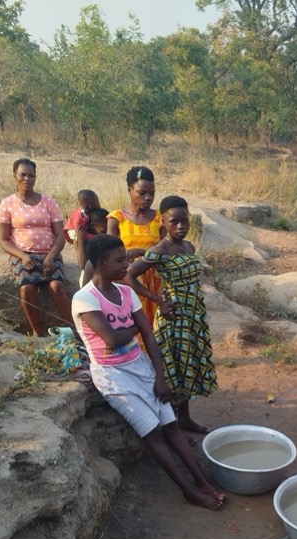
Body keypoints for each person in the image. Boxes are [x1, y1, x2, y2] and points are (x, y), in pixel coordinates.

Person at [71, 234, 226, 511]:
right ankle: (188, 490)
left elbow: (148, 335)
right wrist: (136, 327)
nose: (126, 264)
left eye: (126, 258)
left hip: (139, 366)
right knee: (153, 432)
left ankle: (202, 481)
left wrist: (160, 376)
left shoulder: (127, 293)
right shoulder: (84, 299)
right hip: (112, 376)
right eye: (119, 261)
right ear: (101, 263)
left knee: (171, 425)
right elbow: (112, 340)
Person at [127, 195, 218, 433]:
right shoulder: (160, 250)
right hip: (173, 317)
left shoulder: (188, 246)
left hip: (194, 315)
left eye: (184, 221)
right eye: (174, 221)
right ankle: (171, 426)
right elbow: (128, 276)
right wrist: (157, 300)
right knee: (172, 369)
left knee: (187, 364)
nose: (180, 226)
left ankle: (185, 418)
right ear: (163, 224)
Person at [0, 158, 74, 336]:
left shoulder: (48, 202)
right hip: (23, 255)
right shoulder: (7, 204)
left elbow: (61, 235)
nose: (27, 179)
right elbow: (3, 239)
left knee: (57, 288)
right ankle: (37, 332)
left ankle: (74, 330)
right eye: (23, 174)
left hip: (49, 254)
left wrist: (51, 256)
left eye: (31, 175)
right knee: (26, 290)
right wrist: (22, 256)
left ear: (35, 177)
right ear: (15, 175)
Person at [107, 165, 164, 324]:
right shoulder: (117, 218)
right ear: (130, 190)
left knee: (155, 327)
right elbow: (109, 254)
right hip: (126, 281)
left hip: (156, 283)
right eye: (142, 193)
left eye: (152, 194)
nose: (148, 198)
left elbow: (168, 252)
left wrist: (140, 252)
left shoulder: (160, 219)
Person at [76, 206, 111, 286]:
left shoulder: (105, 239)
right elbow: (82, 265)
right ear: (92, 225)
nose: (107, 233)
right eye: (103, 231)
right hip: (89, 279)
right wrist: (80, 242)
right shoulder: (85, 238)